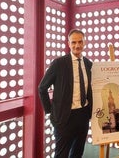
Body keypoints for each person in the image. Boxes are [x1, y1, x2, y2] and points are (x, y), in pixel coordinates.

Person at [38, 29, 93, 158]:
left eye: (80, 42)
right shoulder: (59, 63)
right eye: (74, 42)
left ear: (84, 43)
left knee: (77, 153)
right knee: (61, 155)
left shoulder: (89, 64)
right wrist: (50, 112)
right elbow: (42, 88)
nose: (77, 45)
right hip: (64, 118)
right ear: (69, 44)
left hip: (83, 115)